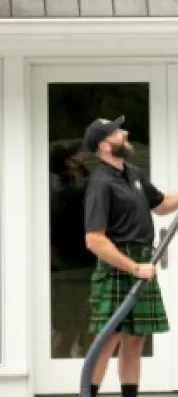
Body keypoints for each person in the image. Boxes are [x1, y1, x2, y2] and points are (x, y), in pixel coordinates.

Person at [82, 115, 178, 397]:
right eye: (117, 132)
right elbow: (94, 239)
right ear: (104, 145)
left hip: (141, 260)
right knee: (107, 341)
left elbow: (162, 205)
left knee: (135, 339)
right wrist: (133, 267)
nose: (125, 133)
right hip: (119, 263)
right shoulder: (100, 183)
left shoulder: (133, 173)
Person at [49, 140, 93, 357]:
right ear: (69, 162)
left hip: (70, 265)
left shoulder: (61, 190)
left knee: (70, 328)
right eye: (80, 154)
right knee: (79, 327)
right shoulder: (72, 193)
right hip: (78, 266)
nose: (85, 156)